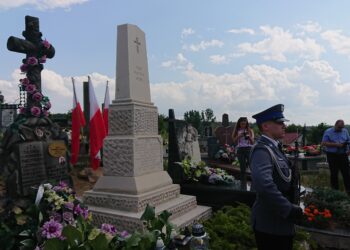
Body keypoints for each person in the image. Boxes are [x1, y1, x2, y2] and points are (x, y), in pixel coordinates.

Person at [249, 104, 302, 250]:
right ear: (265, 126)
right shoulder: (262, 150)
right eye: (279, 122)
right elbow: (263, 185)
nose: (284, 126)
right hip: (271, 224)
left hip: (281, 223)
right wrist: (288, 209)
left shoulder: (274, 148)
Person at [321, 119, 350, 194]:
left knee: (347, 173)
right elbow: (323, 143)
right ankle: (335, 192)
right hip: (332, 155)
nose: (341, 129)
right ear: (335, 125)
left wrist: (349, 150)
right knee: (334, 174)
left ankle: (348, 191)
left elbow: (349, 141)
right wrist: (336, 144)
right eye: (339, 127)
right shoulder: (328, 131)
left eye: (342, 127)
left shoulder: (345, 131)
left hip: (343, 154)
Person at [232, 117, 254, 190]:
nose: (243, 125)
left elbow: (253, 142)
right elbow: (234, 140)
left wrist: (249, 137)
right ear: (239, 124)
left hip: (248, 149)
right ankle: (243, 184)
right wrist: (239, 136)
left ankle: (253, 184)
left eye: (245, 124)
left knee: (252, 166)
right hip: (240, 149)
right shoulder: (237, 130)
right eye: (242, 124)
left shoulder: (250, 130)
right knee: (242, 167)